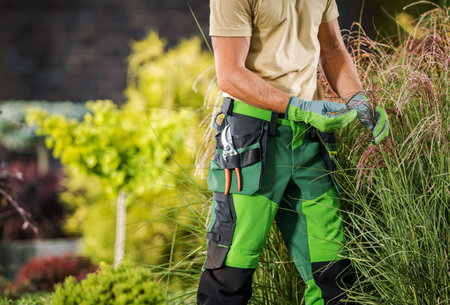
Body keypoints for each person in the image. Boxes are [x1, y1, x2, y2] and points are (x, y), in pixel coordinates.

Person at [197, 1, 389, 304]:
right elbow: (230, 74)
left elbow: (333, 49)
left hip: (311, 136)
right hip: (252, 140)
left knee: (334, 275)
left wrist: (359, 99)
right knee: (230, 273)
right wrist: (298, 108)